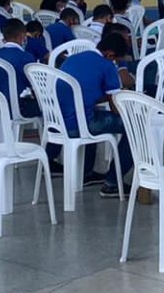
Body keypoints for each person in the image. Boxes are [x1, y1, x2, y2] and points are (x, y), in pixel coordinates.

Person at [57, 30, 136, 196]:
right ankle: (112, 182)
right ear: (110, 54)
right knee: (135, 128)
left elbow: (83, 93)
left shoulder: (72, 59)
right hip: (81, 124)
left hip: (59, 122)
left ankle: (86, 173)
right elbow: (116, 108)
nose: (115, 63)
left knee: (91, 112)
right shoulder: (107, 66)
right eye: (116, 59)